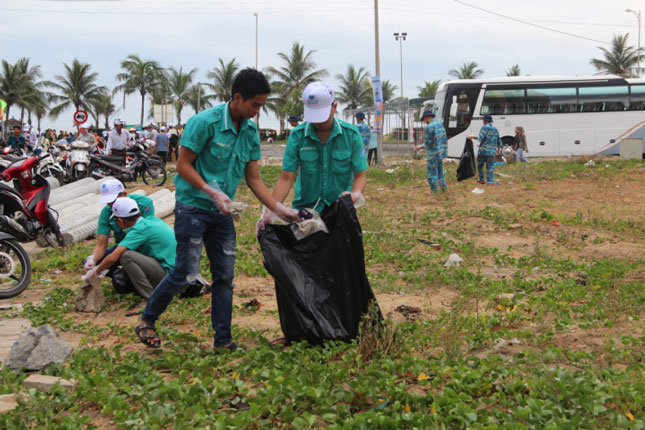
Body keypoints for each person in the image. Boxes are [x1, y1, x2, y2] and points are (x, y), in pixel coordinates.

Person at [136, 68, 300, 350]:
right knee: (185, 273)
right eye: (255, 105)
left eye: (261, 105)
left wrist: (278, 209)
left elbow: (253, 178)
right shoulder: (204, 123)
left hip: (223, 214)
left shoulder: (249, 131)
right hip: (193, 209)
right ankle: (147, 320)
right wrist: (209, 191)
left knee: (224, 277)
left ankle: (222, 340)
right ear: (237, 97)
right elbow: (183, 165)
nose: (257, 112)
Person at [256, 81, 367, 345]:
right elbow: (286, 177)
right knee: (299, 271)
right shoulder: (298, 136)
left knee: (340, 269)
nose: (319, 124)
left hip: (339, 213)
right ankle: (297, 329)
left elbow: (360, 174)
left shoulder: (351, 135)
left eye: (324, 116)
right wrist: (270, 210)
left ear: (335, 107)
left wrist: (354, 195)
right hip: (306, 213)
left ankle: (342, 326)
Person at [83, 197, 175, 316]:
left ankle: (150, 299)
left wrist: (95, 271)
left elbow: (113, 257)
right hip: (179, 273)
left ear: (120, 221)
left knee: (126, 256)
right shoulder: (152, 220)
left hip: (170, 276)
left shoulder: (139, 230)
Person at [84, 179, 155, 275]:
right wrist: (93, 259)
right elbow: (101, 243)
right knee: (92, 262)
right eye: (108, 201)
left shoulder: (143, 204)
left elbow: (147, 233)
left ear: (124, 195)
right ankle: (121, 275)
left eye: (113, 200)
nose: (111, 204)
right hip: (122, 246)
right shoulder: (107, 211)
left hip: (142, 246)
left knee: (124, 256)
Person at [415, 110, 447, 193]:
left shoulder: (429, 127)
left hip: (433, 155)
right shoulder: (440, 125)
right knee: (440, 172)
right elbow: (444, 140)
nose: (425, 122)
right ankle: (443, 189)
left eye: (424, 119)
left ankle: (434, 191)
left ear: (427, 118)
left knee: (432, 173)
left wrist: (419, 147)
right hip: (440, 153)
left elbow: (427, 144)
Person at [470, 114, 501, 185]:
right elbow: (499, 140)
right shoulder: (495, 129)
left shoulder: (484, 128)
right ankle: (490, 182)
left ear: (485, 121)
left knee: (480, 166)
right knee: (490, 166)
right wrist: (498, 149)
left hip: (483, 151)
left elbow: (480, 138)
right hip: (492, 151)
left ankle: (482, 179)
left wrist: (471, 137)